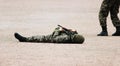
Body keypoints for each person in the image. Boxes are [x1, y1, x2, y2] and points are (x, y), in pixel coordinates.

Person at [14, 25, 85, 44]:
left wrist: (58, 30)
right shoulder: (71, 37)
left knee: (37, 38)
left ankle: (24, 39)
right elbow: (75, 35)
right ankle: (24, 39)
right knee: (37, 37)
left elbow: (55, 38)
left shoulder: (66, 38)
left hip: (49, 38)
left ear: (74, 38)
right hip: (54, 36)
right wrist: (73, 31)